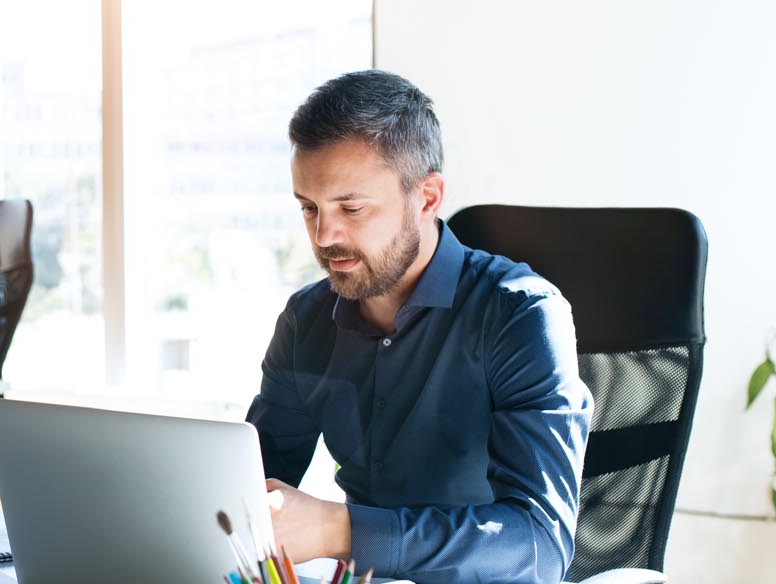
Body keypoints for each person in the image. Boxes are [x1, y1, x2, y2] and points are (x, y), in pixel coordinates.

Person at [249, 70, 593, 582]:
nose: (325, 234)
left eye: (352, 207)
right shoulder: (305, 322)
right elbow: (247, 488)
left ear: (428, 198)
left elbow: (539, 544)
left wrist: (339, 530)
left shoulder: (520, 315)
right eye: (309, 208)